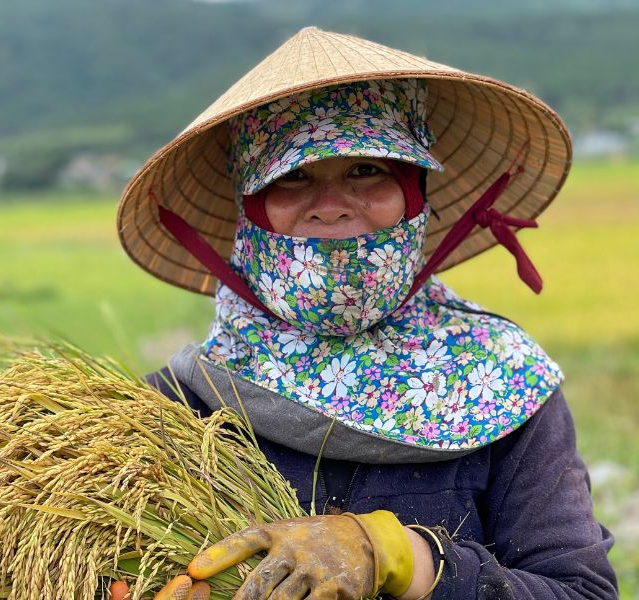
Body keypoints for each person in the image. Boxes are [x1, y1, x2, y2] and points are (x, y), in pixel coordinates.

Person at [111, 28, 617, 599]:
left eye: (367, 171)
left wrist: (405, 558)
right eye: (292, 177)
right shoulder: (170, 411)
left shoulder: (500, 382)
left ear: (416, 192)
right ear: (250, 209)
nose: (330, 207)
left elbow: (581, 592)